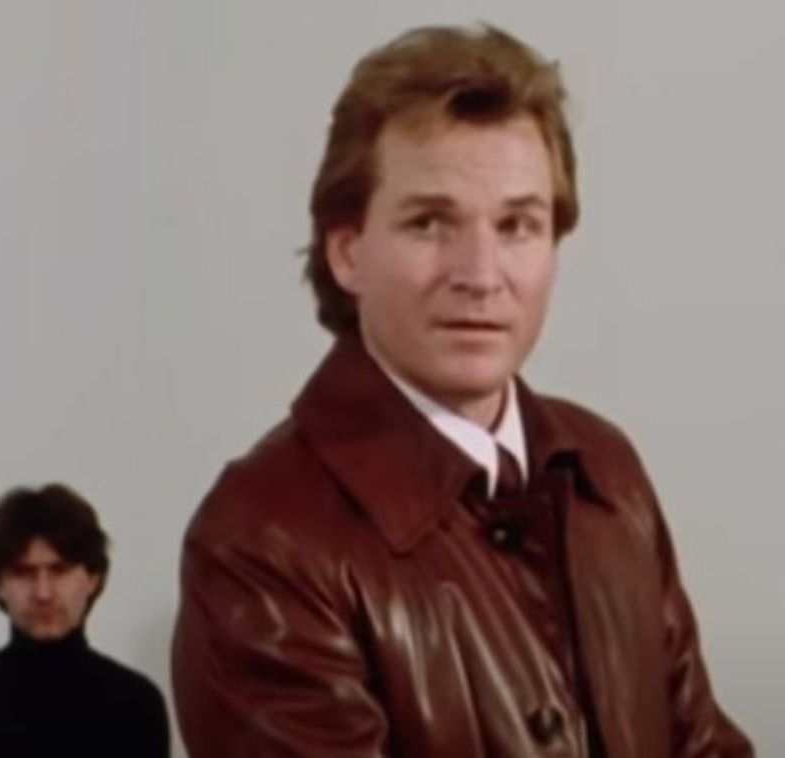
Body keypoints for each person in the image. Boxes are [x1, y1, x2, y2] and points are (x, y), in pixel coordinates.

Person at [171, 23, 752, 758]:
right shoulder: (261, 539)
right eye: (429, 223)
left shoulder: (606, 471)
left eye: (517, 225)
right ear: (347, 253)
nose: (480, 274)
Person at [0, 484, 169, 757]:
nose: (43, 593)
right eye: (23, 572)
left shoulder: (135, 704)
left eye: (60, 570)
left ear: (93, 578)